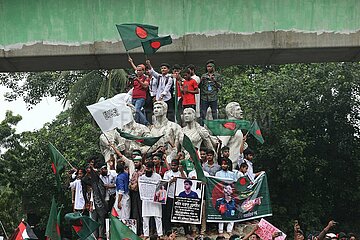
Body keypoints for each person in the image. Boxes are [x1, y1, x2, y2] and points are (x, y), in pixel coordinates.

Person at [139, 161, 163, 238]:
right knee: (145, 218)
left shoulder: (158, 177)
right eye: (146, 168)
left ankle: (160, 234)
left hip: (155, 201)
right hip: (146, 201)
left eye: (149, 168)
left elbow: (161, 187)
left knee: (158, 217)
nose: (147, 170)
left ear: (152, 169)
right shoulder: (142, 177)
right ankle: (146, 234)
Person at [162, 159, 187, 233]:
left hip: (179, 197)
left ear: (178, 166)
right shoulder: (167, 173)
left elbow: (187, 181)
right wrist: (171, 181)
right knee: (168, 214)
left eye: (175, 165)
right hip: (170, 196)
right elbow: (163, 184)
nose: (173, 167)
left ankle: (186, 231)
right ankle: (167, 230)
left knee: (182, 214)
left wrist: (182, 171)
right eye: (172, 165)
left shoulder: (182, 172)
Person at [218, 102, 245, 168]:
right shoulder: (229, 127)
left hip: (238, 163)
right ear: (231, 113)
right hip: (230, 165)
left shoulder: (237, 127)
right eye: (238, 110)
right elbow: (222, 145)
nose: (241, 111)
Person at [199, 59, 223, 125]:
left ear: (213, 67)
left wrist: (214, 80)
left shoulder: (217, 76)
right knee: (203, 114)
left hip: (213, 97)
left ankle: (216, 128)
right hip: (204, 97)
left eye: (210, 66)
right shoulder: (204, 75)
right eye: (207, 67)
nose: (208, 68)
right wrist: (201, 81)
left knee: (214, 113)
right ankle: (201, 127)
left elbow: (220, 86)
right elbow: (199, 87)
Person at [127, 57, 150, 125]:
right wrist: (131, 62)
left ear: (143, 71)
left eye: (140, 70)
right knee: (135, 111)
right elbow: (135, 68)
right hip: (134, 97)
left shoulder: (146, 77)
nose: (138, 71)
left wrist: (138, 80)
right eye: (137, 70)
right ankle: (137, 123)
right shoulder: (135, 77)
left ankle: (146, 123)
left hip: (141, 97)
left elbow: (145, 85)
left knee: (137, 110)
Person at [129, 155, 145, 235]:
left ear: (141, 162)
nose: (135, 164)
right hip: (134, 194)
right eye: (134, 162)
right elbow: (131, 183)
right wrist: (132, 186)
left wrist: (135, 185)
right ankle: (137, 231)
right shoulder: (135, 172)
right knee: (135, 213)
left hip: (142, 195)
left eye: (137, 162)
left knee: (142, 212)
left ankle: (143, 231)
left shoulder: (144, 171)